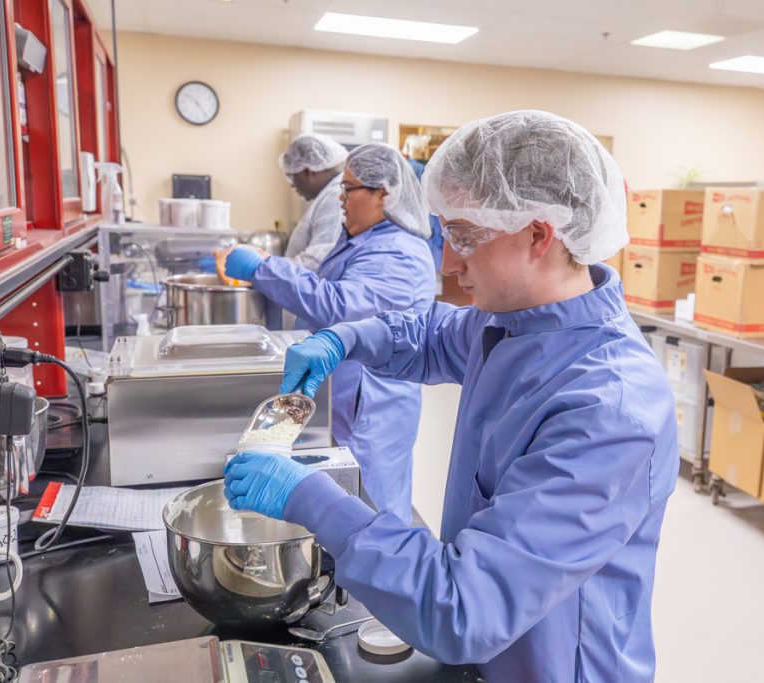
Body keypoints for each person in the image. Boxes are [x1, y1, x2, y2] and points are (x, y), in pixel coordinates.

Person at [224, 110, 678, 682]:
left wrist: (311, 499)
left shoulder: (607, 410)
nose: (447, 261)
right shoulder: (514, 322)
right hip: (492, 657)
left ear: (539, 234)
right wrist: (346, 337)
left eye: (464, 236)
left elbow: (466, 608)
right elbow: (431, 333)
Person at [218, 142, 435, 522]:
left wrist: (263, 268)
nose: (341, 198)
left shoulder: (398, 251)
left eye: (349, 189)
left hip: (371, 408)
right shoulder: (363, 240)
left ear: (383, 193)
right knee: (345, 505)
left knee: (373, 508)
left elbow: (339, 306)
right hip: (349, 397)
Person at [280, 133, 348, 271]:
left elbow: (319, 261)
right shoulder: (328, 194)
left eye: (293, 176)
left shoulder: (336, 196)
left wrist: (264, 267)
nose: (292, 185)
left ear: (307, 171)